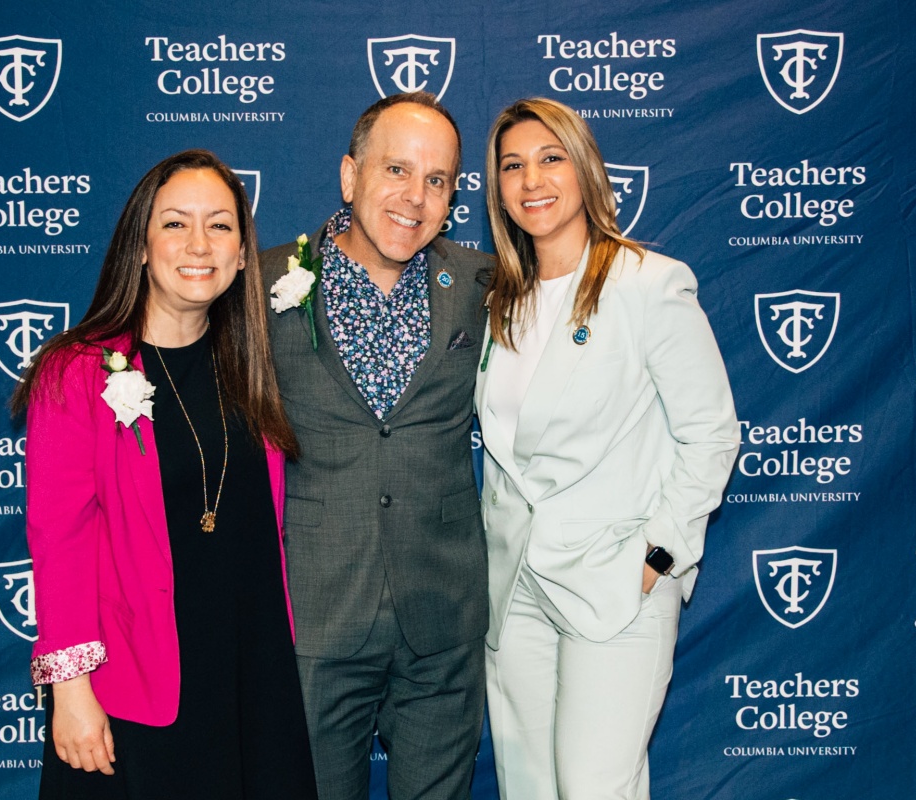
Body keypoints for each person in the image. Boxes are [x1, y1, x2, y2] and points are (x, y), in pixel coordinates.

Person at [13, 149, 317, 799]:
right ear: (142, 248)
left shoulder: (252, 368)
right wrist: (71, 694)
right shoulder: (77, 373)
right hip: (138, 689)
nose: (199, 244)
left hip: (252, 681)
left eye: (221, 226)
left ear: (242, 256)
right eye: (176, 224)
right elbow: (59, 544)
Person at [476, 97, 741, 799]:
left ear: (586, 168)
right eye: (512, 165)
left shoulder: (649, 283)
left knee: (595, 787)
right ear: (497, 188)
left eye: (550, 158)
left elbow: (710, 431)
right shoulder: (502, 300)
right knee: (529, 787)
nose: (532, 179)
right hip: (517, 589)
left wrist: (662, 552)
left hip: (616, 583)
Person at [262, 92, 490, 800]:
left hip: (443, 619)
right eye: (396, 169)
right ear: (349, 175)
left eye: (437, 180)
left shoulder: (483, 285)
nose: (414, 198)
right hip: (317, 619)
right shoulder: (260, 284)